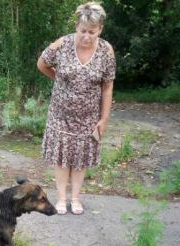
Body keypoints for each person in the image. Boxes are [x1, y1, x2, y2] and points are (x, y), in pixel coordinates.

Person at [37, 2, 115, 215]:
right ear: (76, 26)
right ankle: (61, 198)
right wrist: (59, 80)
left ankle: (76, 198)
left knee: (81, 159)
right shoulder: (62, 44)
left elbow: (107, 86)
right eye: (82, 31)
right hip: (60, 114)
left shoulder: (106, 50)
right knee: (61, 157)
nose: (86, 36)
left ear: (100, 29)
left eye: (92, 31)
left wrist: (104, 119)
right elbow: (42, 63)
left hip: (89, 116)